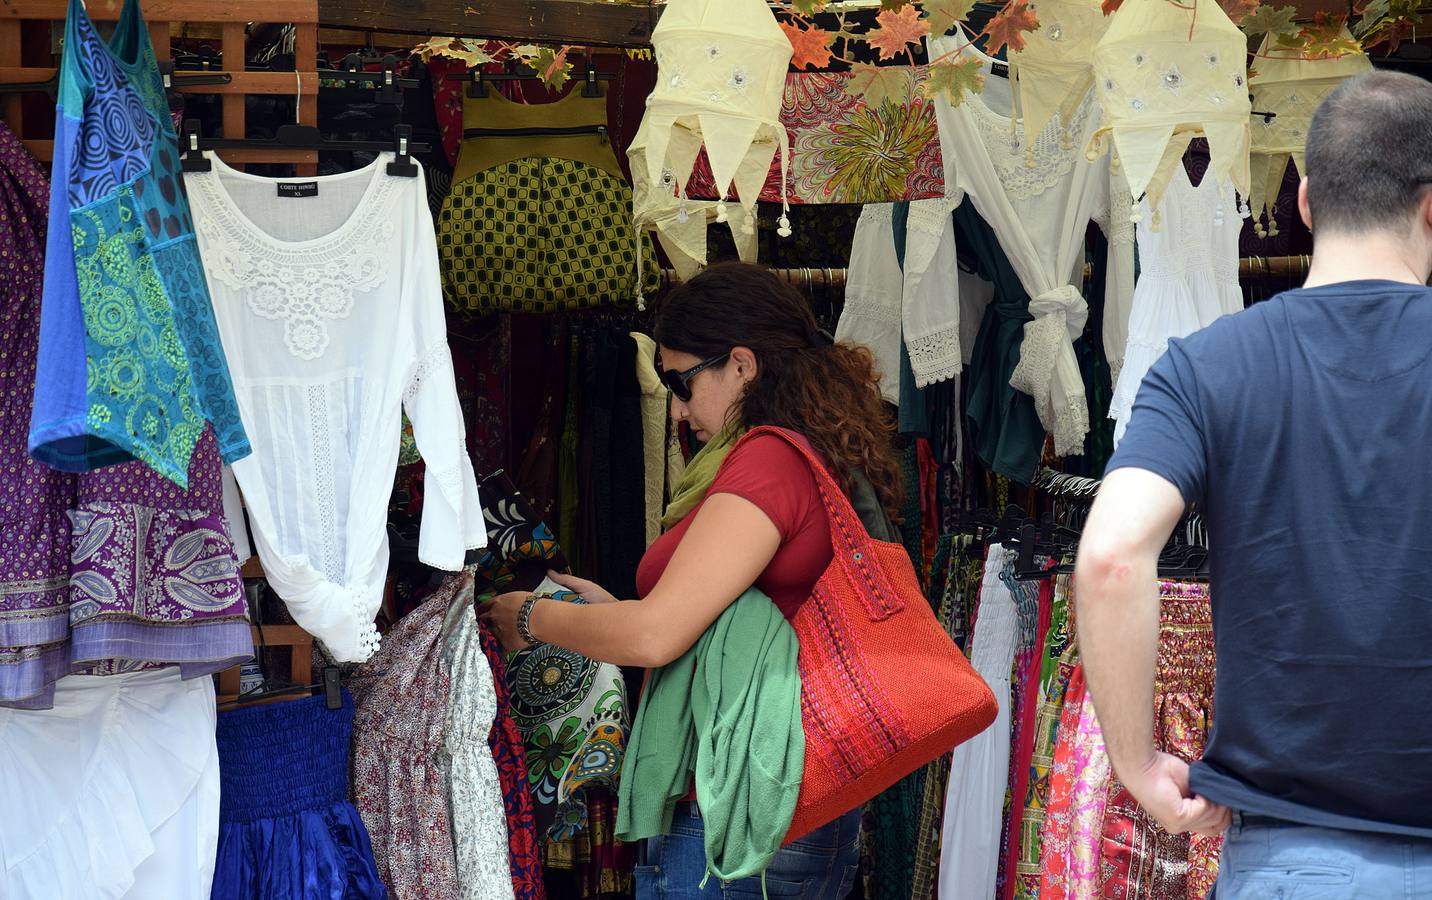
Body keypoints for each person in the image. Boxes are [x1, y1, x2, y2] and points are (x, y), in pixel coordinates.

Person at [1075, 69, 1432, 898]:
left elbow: (1111, 556)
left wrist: (1136, 762)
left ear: (1304, 202)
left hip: (1294, 861)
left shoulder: (1205, 367)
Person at [482, 261, 902, 899]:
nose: (677, 408)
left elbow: (656, 636)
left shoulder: (768, 461)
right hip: (776, 792)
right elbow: (701, 616)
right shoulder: (803, 450)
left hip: (747, 802)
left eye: (681, 381)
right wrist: (613, 611)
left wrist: (530, 619)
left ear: (741, 364)